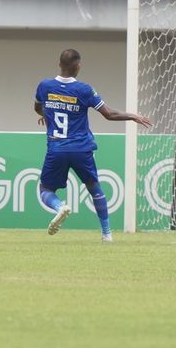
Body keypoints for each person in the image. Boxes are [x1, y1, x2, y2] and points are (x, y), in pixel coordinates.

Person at [34, 49, 152, 242]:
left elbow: (38, 107)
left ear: (59, 64)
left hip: (57, 149)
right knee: (94, 187)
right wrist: (132, 115)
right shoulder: (84, 90)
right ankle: (107, 234)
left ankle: (59, 207)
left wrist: (46, 115)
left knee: (45, 190)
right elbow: (109, 114)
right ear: (77, 66)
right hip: (81, 149)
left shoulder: (44, 86)